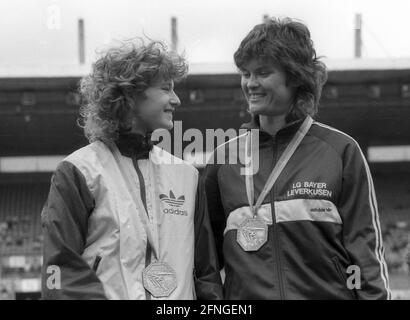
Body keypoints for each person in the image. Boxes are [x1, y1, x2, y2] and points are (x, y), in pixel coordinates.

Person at [201, 17, 390, 299]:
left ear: (296, 77)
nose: (250, 83)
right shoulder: (224, 159)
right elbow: (207, 263)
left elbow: (363, 255)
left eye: (263, 73)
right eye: (245, 73)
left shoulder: (340, 151)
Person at [41, 40, 222, 300]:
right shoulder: (78, 172)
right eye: (166, 88)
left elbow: (206, 275)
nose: (176, 99)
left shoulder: (188, 176)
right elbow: (58, 272)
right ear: (130, 94)